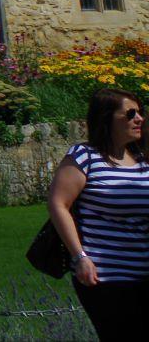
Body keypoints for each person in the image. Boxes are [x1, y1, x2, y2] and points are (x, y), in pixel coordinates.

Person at [47, 87, 149, 340]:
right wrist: (79, 256)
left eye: (140, 113)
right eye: (130, 113)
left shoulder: (141, 159)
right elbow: (58, 204)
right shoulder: (85, 157)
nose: (139, 119)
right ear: (106, 118)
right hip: (104, 275)